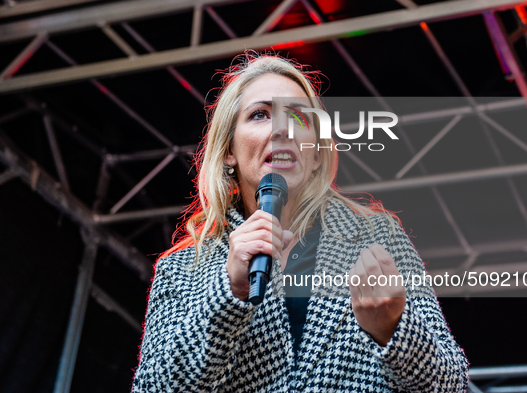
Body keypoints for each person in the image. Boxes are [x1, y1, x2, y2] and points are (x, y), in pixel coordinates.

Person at [131, 53, 469, 392]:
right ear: (229, 149)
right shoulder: (183, 268)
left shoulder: (378, 237)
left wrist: (395, 329)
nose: (282, 129)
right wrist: (228, 296)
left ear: (316, 153)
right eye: (260, 114)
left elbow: (452, 385)